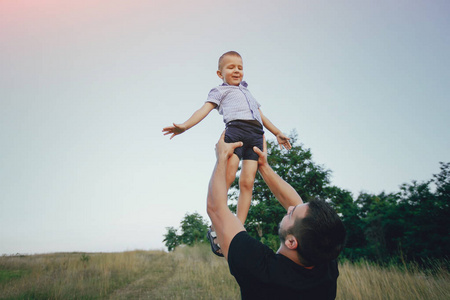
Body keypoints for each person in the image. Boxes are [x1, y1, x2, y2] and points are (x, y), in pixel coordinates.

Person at [207, 132, 346, 300]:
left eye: (291, 214)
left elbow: (216, 208)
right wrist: (263, 166)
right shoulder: (324, 262)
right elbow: (297, 208)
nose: (289, 209)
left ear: (291, 242)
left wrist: (221, 157)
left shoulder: (260, 269)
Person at [163, 51, 291, 228]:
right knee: (229, 173)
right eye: (231, 67)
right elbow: (203, 109)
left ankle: (239, 225)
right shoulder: (219, 91)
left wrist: (277, 132)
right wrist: (184, 126)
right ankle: (218, 220)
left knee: (248, 181)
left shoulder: (248, 92)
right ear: (220, 73)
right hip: (235, 130)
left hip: (255, 134)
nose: (237, 70)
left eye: (240, 67)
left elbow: (261, 116)